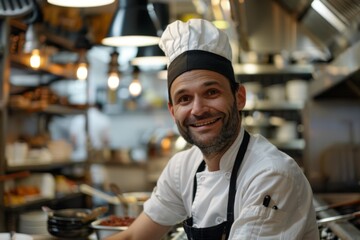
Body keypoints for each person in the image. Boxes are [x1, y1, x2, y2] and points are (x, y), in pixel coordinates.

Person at [106, 19, 319, 240]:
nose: (198, 110)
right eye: (184, 98)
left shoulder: (271, 174)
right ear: (172, 111)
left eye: (211, 93)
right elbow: (133, 237)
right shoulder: (182, 169)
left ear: (239, 97)